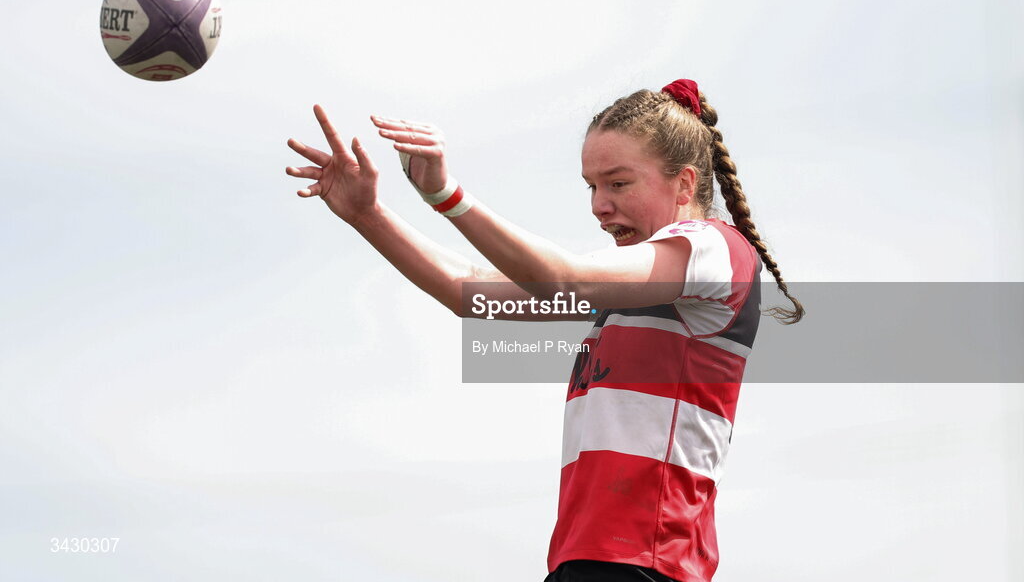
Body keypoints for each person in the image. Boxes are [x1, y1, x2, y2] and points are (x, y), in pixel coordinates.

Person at [285, 79, 803, 582]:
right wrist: (368, 214)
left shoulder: (715, 250)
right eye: (592, 187)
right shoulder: (634, 296)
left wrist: (446, 194)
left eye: (619, 183)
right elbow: (469, 292)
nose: (599, 205)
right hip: (587, 563)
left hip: (645, 565)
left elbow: (563, 277)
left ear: (685, 183)